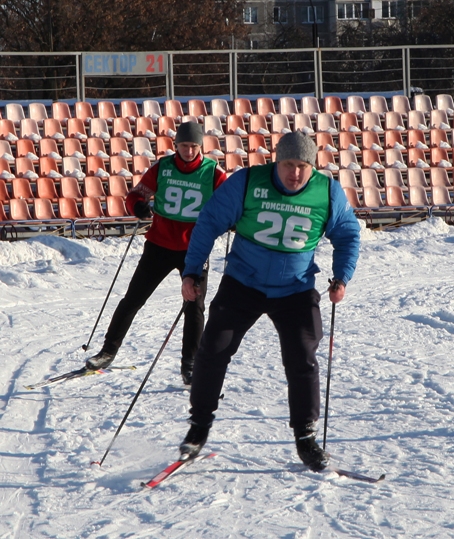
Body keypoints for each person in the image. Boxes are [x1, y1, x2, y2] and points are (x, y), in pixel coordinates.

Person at [177, 132, 361, 471]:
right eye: (289, 164)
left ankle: (305, 437)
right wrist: (192, 272)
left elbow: (348, 234)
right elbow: (209, 222)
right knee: (213, 348)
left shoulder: (327, 192)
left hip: (295, 288)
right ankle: (199, 427)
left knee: (302, 355)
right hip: (243, 283)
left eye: (303, 166)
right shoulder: (247, 182)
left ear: (312, 166)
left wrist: (341, 276)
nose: (295, 173)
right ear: (277, 160)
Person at [85, 122, 227, 385]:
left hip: (194, 249)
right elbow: (136, 194)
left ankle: (191, 363)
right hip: (159, 245)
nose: (188, 151)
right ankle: (108, 351)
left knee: (194, 306)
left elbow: (229, 201)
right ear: (176, 146)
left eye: (194, 146)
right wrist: (138, 206)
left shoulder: (212, 172)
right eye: (184, 146)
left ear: (201, 147)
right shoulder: (163, 167)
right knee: (133, 299)